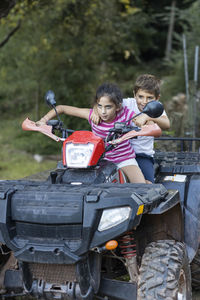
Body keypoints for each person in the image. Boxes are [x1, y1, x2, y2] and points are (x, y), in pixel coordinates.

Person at [36, 83, 146, 183]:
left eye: (108, 107)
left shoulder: (126, 115)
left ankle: (146, 183)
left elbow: (148, 123)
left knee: (141, 187)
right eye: (99, 106)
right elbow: (61, 108)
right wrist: (43, 120)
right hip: (98, 160)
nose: (103, 111)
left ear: (118, 106)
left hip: (124, 159)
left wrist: (145, 123)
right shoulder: (92, 115)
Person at [91, 74, 170, 183]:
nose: (144, 101)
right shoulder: (127, 103)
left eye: (150, 98)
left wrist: (148, 116)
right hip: (118, 151)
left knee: (147, 185)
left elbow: (166, 124)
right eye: (140, 96)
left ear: (157, 98)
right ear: (134, 94)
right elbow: (107, 102)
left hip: (141, 154)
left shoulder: (155, 107)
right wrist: (95, 109)